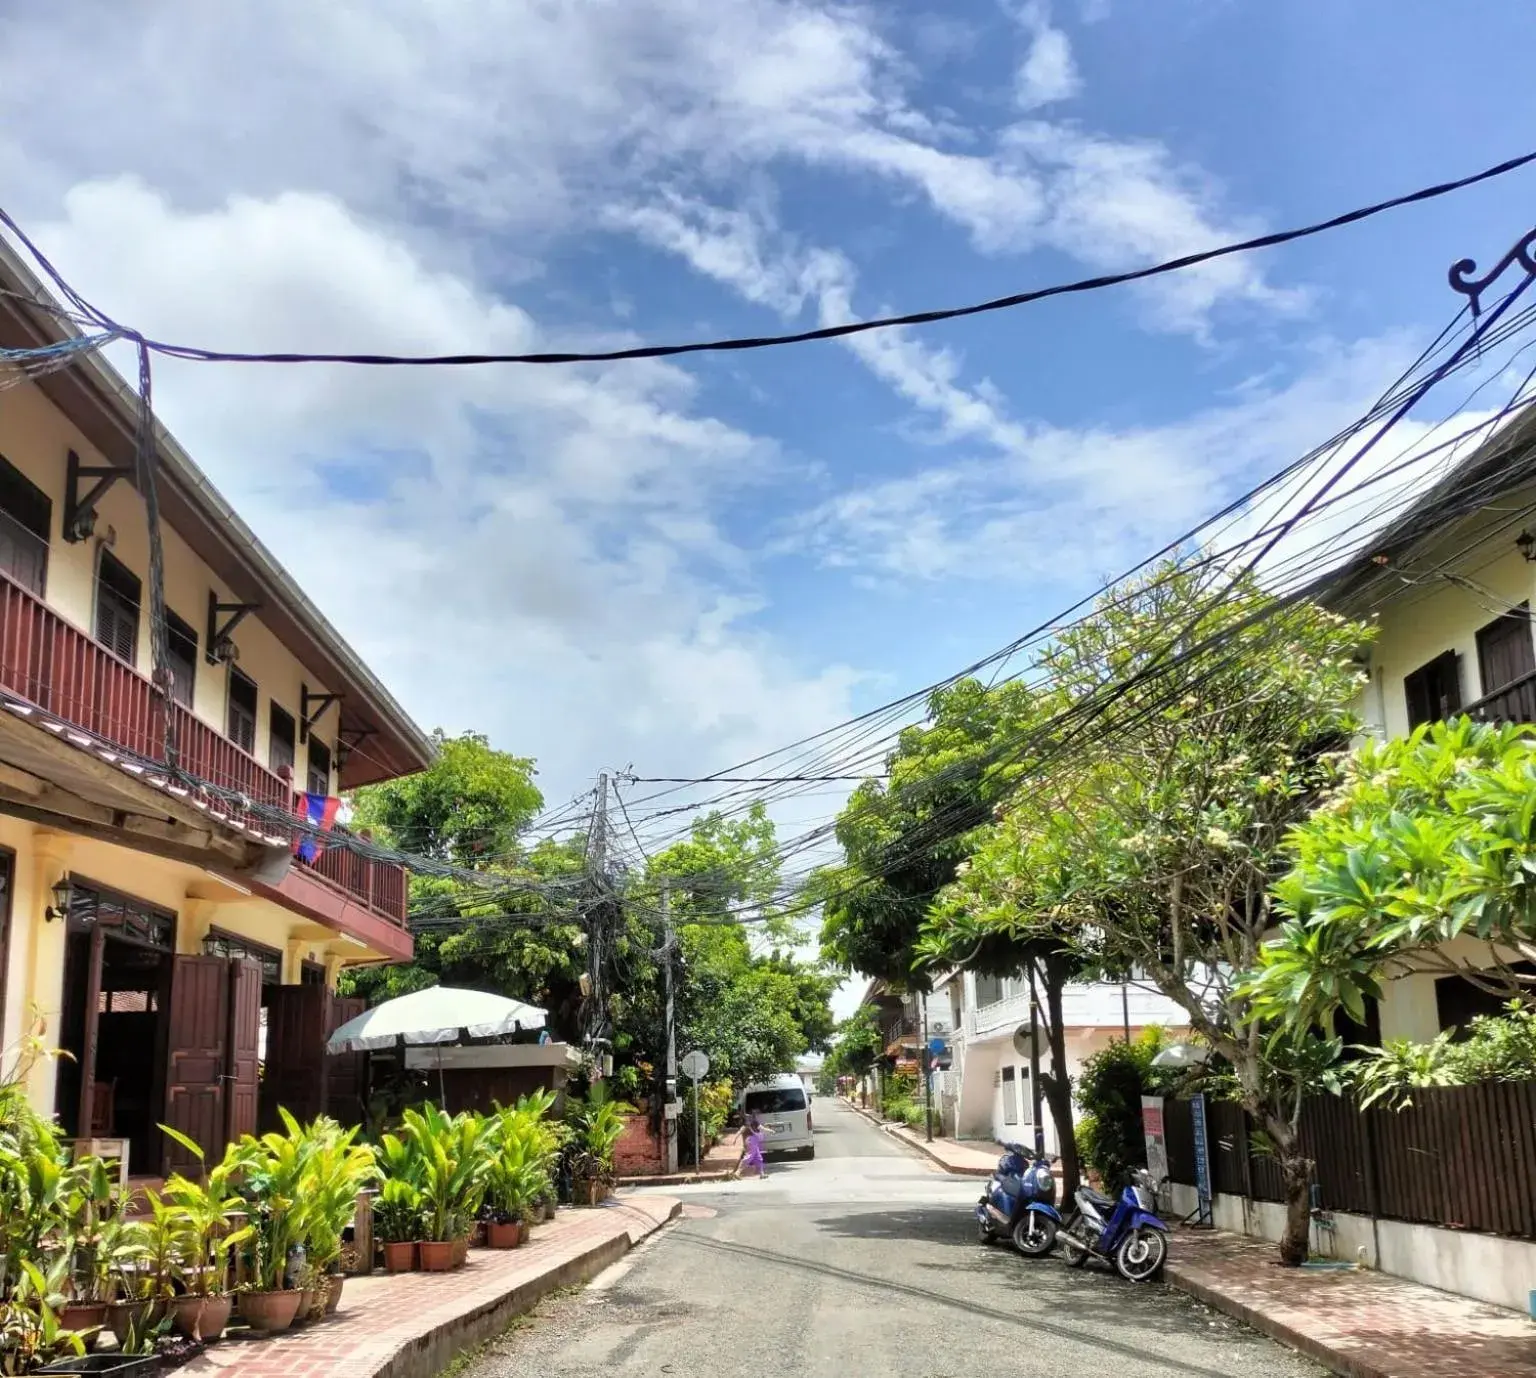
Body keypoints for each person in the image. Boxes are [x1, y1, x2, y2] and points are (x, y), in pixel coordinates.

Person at [734, 1114, 771, 1180]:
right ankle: (737, 1172)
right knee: (749, 1157)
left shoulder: (746, 1125)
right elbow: (763, 1128)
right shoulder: (754, 1122)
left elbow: (739, 1132)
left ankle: (762, 1174)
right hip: (752, 1141)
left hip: (751, 1142)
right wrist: (771, 1131)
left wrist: (735, 1139)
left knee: (758, 1158)